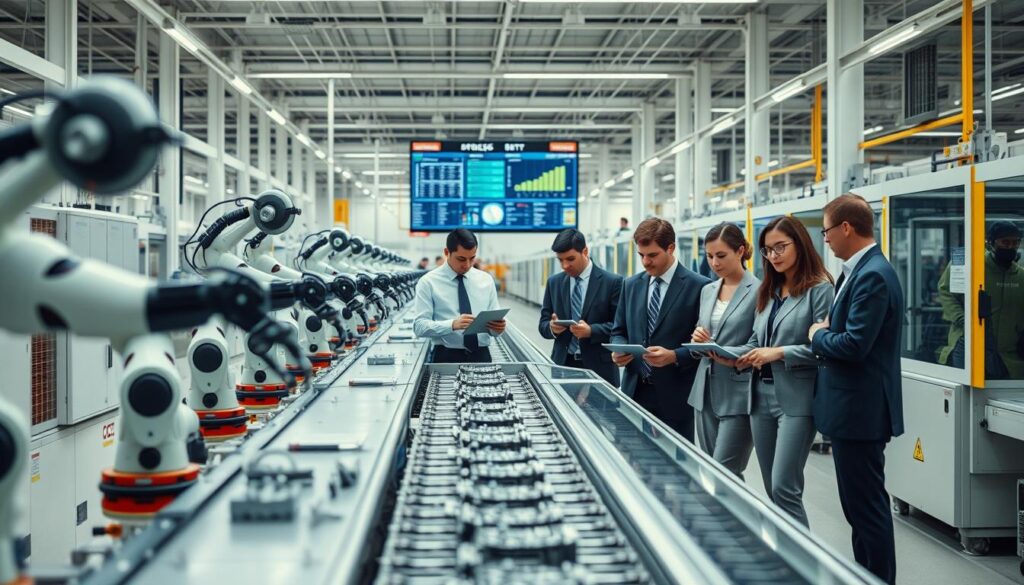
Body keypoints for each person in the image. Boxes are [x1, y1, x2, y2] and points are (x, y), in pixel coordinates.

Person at [809, 194, 904, 585]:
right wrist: (831, 330)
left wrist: (818, 334)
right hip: (851, 410)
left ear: (846, 227)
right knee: (858, 509)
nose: (825, 239)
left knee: (866, 510)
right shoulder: (857, 271)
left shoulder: (873, 276)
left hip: (861, 413)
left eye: (827, 230)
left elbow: (852, 345)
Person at [718, 216, 833, 527]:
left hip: (796, 400)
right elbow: (757, 341)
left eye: (780, 247)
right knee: (772, 488)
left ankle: (806, 568)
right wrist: (729, 355)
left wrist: (780, 352)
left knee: (785, 487)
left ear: (800, 243)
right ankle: (788, 561)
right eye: (768, 250)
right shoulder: (770, 289)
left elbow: (825, 347)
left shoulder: (820, 289)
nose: (774, 256)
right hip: (759, 396)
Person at [610, 218, 710, 440]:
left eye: (652, 255)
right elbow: (619, 330)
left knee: (677, 468)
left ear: (671, 248)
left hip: (676, 396)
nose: (645, 262)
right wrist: (619, 349)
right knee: (628, 460)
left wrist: (674, 356)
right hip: (634, 391)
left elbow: (704, 344)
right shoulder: (631, 285)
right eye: (641, 255)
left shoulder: (700, 286)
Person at [686, 223, 758, 478]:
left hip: (738, 392)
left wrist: (724, 351)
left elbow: (758, 343)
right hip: (705, 391)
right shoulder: (708, 290)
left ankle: (738, 518)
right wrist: (697, 340)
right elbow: (701, 331)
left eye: (721, 255)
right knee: (708, 470)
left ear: (740, 251)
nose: (714, 263)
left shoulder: (760, 291)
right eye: (709, 256)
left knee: (726, 471)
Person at [937, 221, 1024, 378]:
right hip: (970, 345)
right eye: (1005, 242)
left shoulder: (1020, 276)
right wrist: (963, 319)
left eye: (1015, 242)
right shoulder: (971, 265)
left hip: (1008, 353)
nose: (1011, 247)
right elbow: (945, 291)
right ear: (991, 243)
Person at [539, 228, 623, 386]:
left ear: (585, 251)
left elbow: (620, 328)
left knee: (600, 412)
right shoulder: (554, 283)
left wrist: (591, 331)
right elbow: (543, 324)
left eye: (570, 259)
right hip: (563, 366)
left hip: (599, 369)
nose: (565, 265)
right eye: (560, 260)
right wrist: (551, 328)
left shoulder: (612, 283)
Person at [413, 228, 506, 363]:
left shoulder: (486, 280)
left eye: (472, 258)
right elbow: (419, 327)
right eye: (461, 259)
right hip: (446, 356)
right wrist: (452, 324)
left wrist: (498, 329)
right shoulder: (428, 282)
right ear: (447, 252)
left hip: (482, 356)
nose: (467, 265)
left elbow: (494, 325)